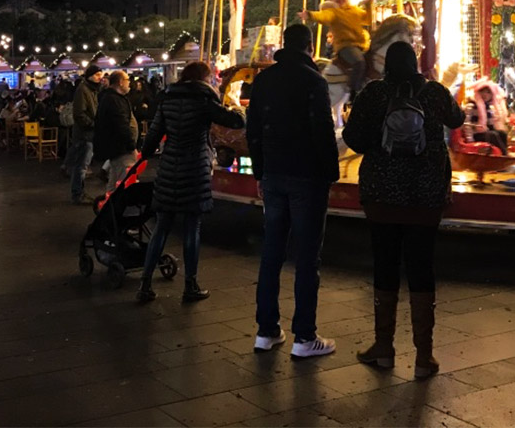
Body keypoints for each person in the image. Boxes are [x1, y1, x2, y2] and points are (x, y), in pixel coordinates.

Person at [342, 41, 464, 379]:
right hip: (425, 197)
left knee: (385, 267)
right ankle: (424, 357)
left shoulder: (373, 94)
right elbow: (457, 120)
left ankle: (384, 348)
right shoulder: (435, 92)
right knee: (422, 268)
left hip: (382, 195)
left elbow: (352, 138)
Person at [246, 23, 339, 359]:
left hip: (273, 173)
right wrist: (330, 172)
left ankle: (266, 330)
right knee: (306, 256)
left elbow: (252, 127)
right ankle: (304, 335)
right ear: (309, 46)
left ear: (284, 44)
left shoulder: (265, 80)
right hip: (306, 176)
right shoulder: (313, 81)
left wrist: (259, 169)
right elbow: (323, 130)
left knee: (271, 253)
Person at [136, 61, 245, 304]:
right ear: (204, 78)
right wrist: (238, 109)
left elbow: (154, 132)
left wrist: (145, 153)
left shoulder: (168, 98)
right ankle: (190, 284)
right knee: (191, 227)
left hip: (169, 169)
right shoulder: (204, 100)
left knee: (161, 226)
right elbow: (234, 122)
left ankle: (145, 283)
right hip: (194, 169)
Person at [300, 0, 371, 96]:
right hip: (346, 45)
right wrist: (310, 15)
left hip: (361, 45)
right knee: (359, 62)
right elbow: (323, 16)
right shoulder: (333, 12)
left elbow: (368, 20)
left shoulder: (355, 10)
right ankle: (354, 91)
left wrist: (369, 6)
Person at [93, 70, 138, 194]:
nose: (129, 83)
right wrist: (131, 146)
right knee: (125, 183)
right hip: (121, 149)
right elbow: (121, 125)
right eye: (127, 80)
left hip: (116, 149)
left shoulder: (110, 98)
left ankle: (109, 208)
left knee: (114, 183)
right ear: (120, 82)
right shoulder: (115, 100)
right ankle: (119, 210)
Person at [66, 65, 103, 204]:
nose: (100, 77)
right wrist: (93, 124)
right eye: (97, 75)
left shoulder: (91, 90)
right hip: (84, 135)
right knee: (81, 166)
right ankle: (77, 194)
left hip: (88, 134)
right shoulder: (83, 90)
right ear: (90, 76)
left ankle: (79, 192)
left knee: (82, 165)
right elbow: (79, 113)